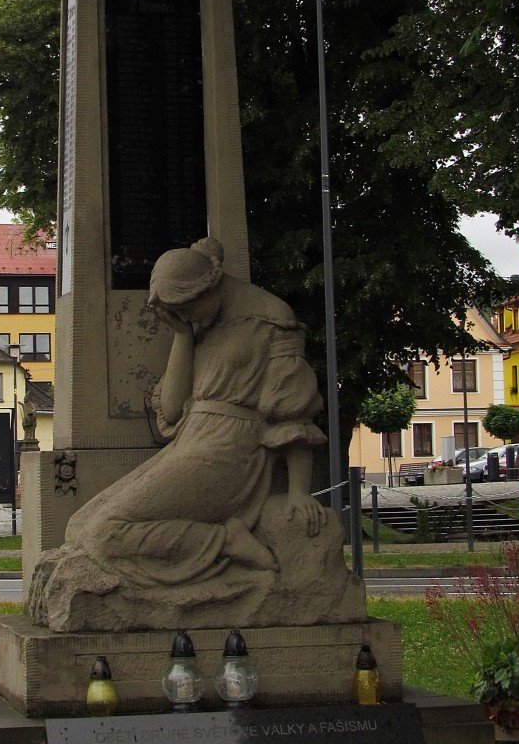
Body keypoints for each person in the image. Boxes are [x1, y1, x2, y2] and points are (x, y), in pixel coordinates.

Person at [56, 237, 329, 591]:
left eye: (186, 309)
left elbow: (292, 409)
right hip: (192, 442)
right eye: (176, 313)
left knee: (105, 534)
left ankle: (224, 543)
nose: (184, 317)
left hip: (233, 453)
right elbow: (171, 409)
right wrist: (183, 335)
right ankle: (224, 539)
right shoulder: (197, 325)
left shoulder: (271, 319)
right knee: (79, 527)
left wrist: (298, 491)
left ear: (211, 285)